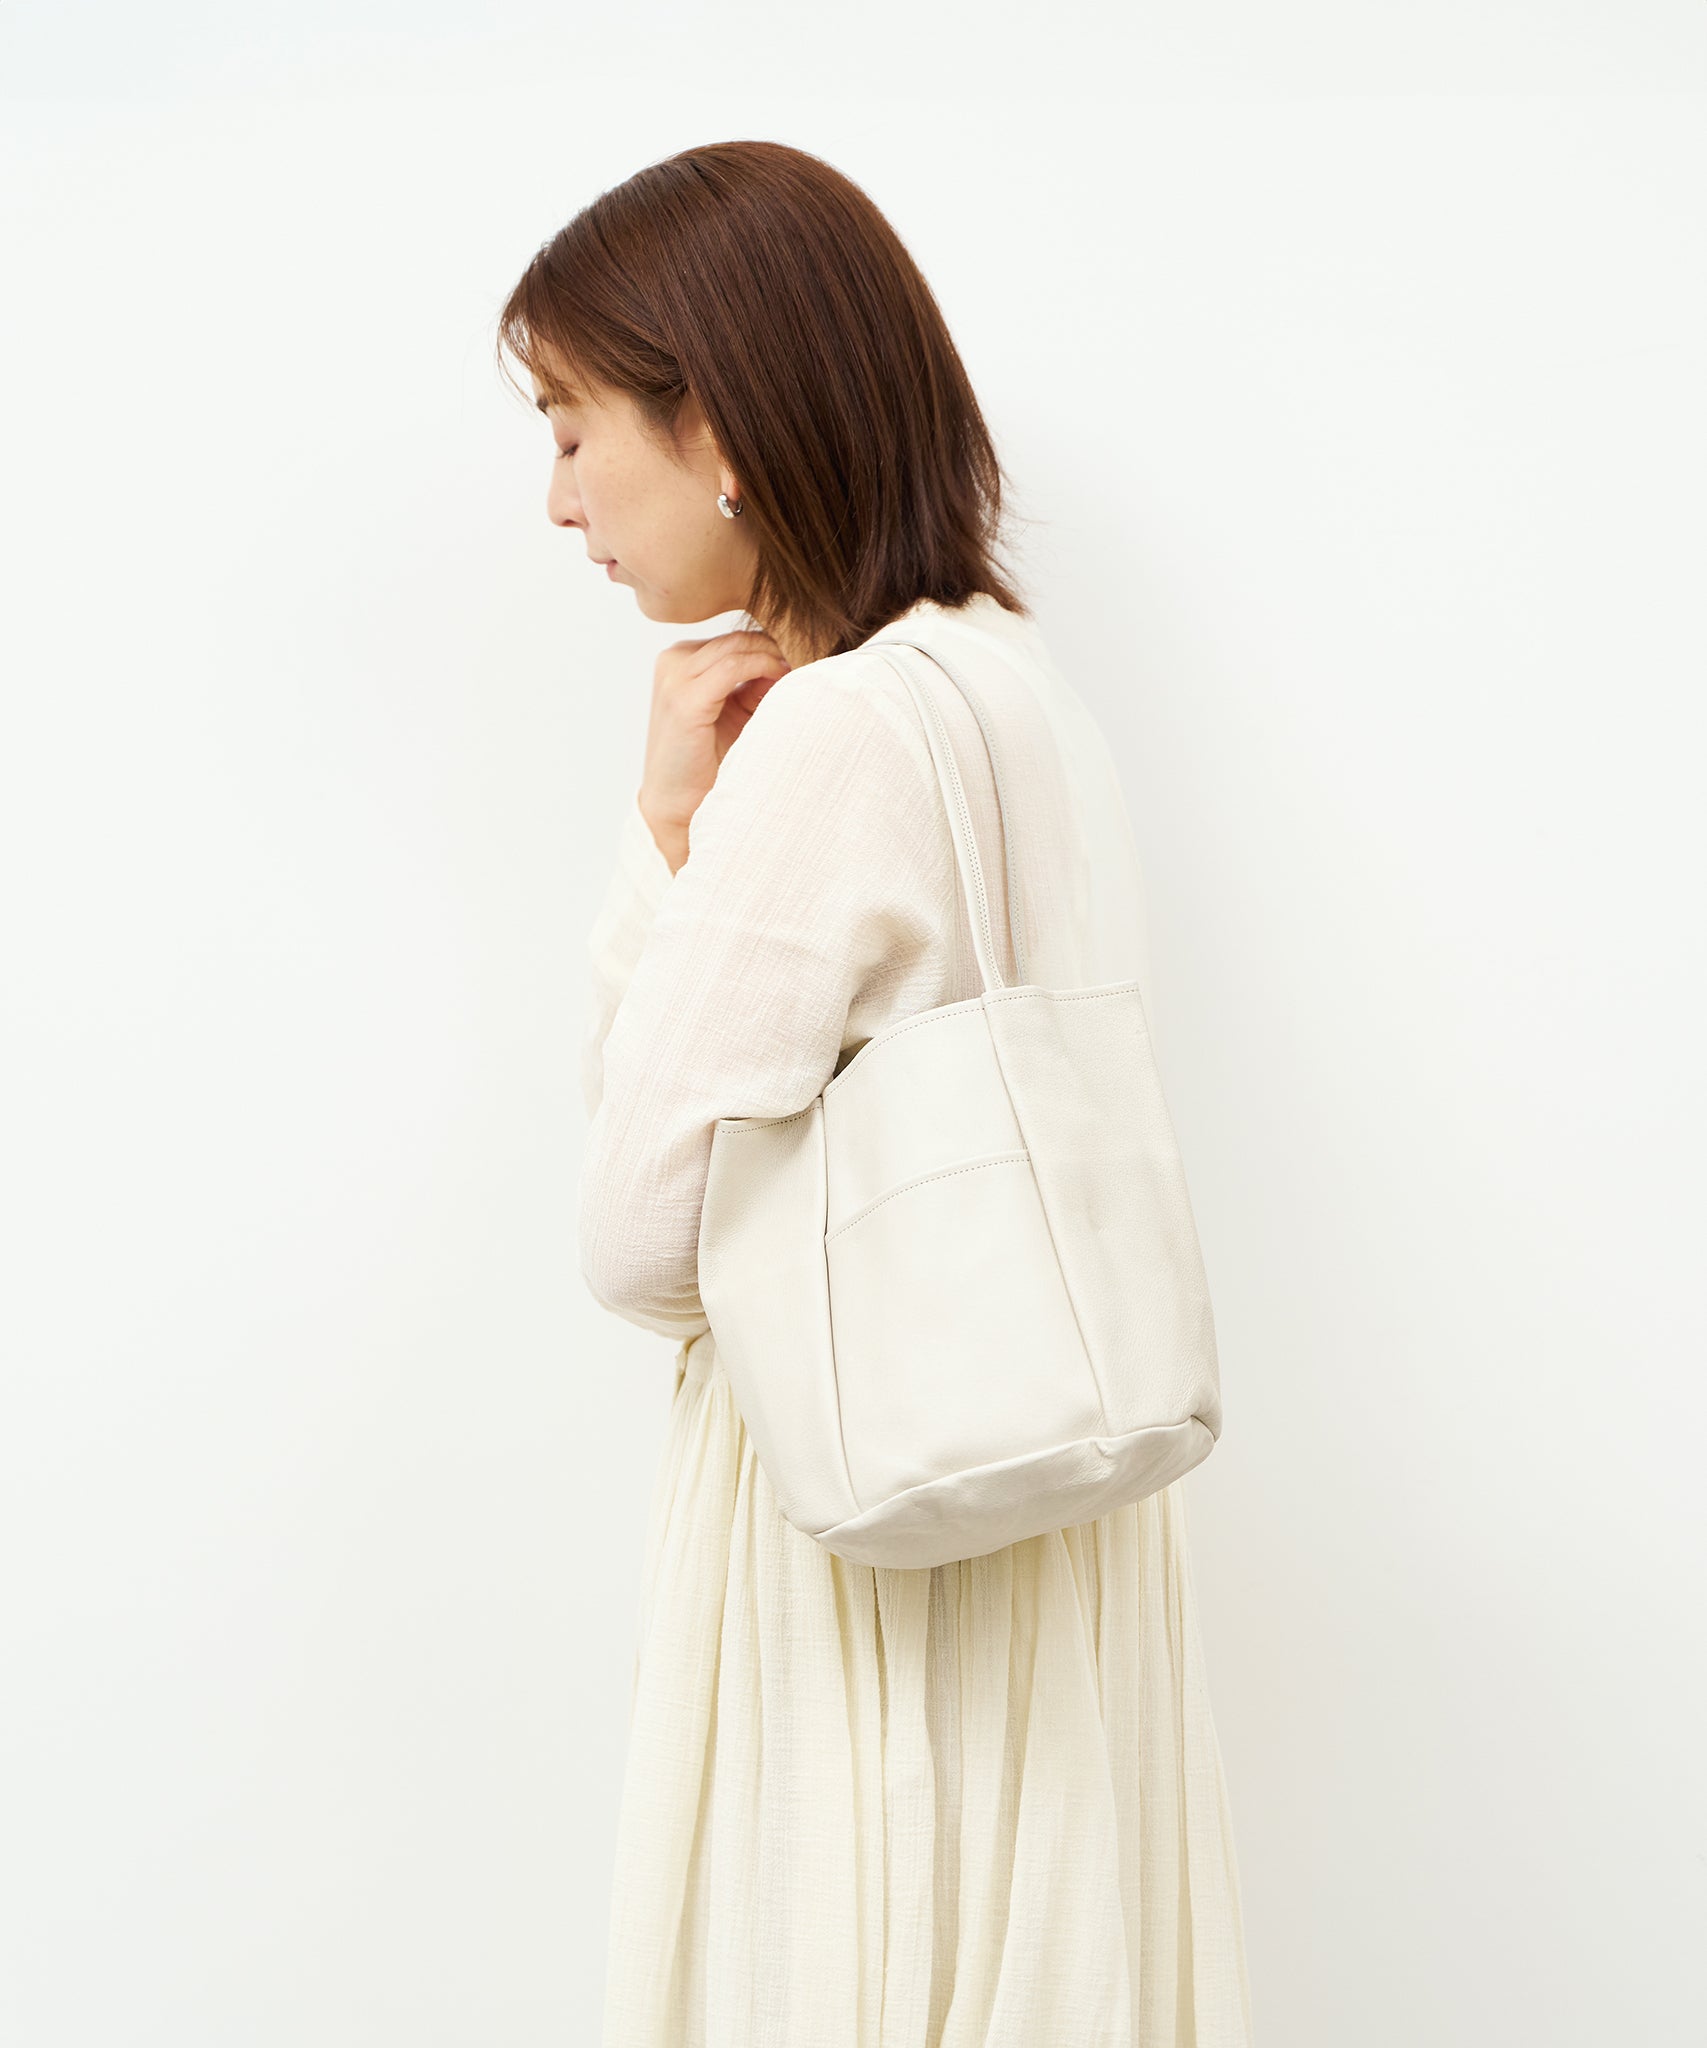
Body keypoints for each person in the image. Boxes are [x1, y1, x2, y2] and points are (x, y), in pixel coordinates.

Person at [497, 138, 1253, 2048]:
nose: (560, 499)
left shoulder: (833, 735)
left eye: (574, 429)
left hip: (863, 1551)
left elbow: (636, 1239)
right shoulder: (1014, 691)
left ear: (716, 423)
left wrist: (664, 839)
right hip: (1050, 1522)